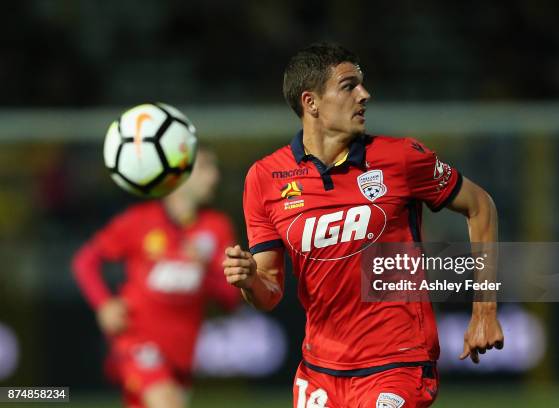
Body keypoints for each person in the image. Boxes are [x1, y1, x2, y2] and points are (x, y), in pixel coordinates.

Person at [223, 42, 504, 407]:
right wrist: (249, 281)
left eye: (362, 84)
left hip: (398, 362)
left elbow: (481, 206)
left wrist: (485, 310)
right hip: (320, 370)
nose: (364, 95)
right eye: (348, 86)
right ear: (311, 103)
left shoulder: (400, 158)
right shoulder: (265, 178)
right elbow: (270, 292)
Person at [73, 147, 240, 408]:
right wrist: (104, 304)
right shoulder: (139, 221)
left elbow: (232, 299)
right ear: (179, 173)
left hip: (182, 353)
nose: (214, 176)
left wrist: (206, 269)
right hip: (136, 340)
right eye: (206, 167)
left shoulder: (216, 228)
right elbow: (85, 261)